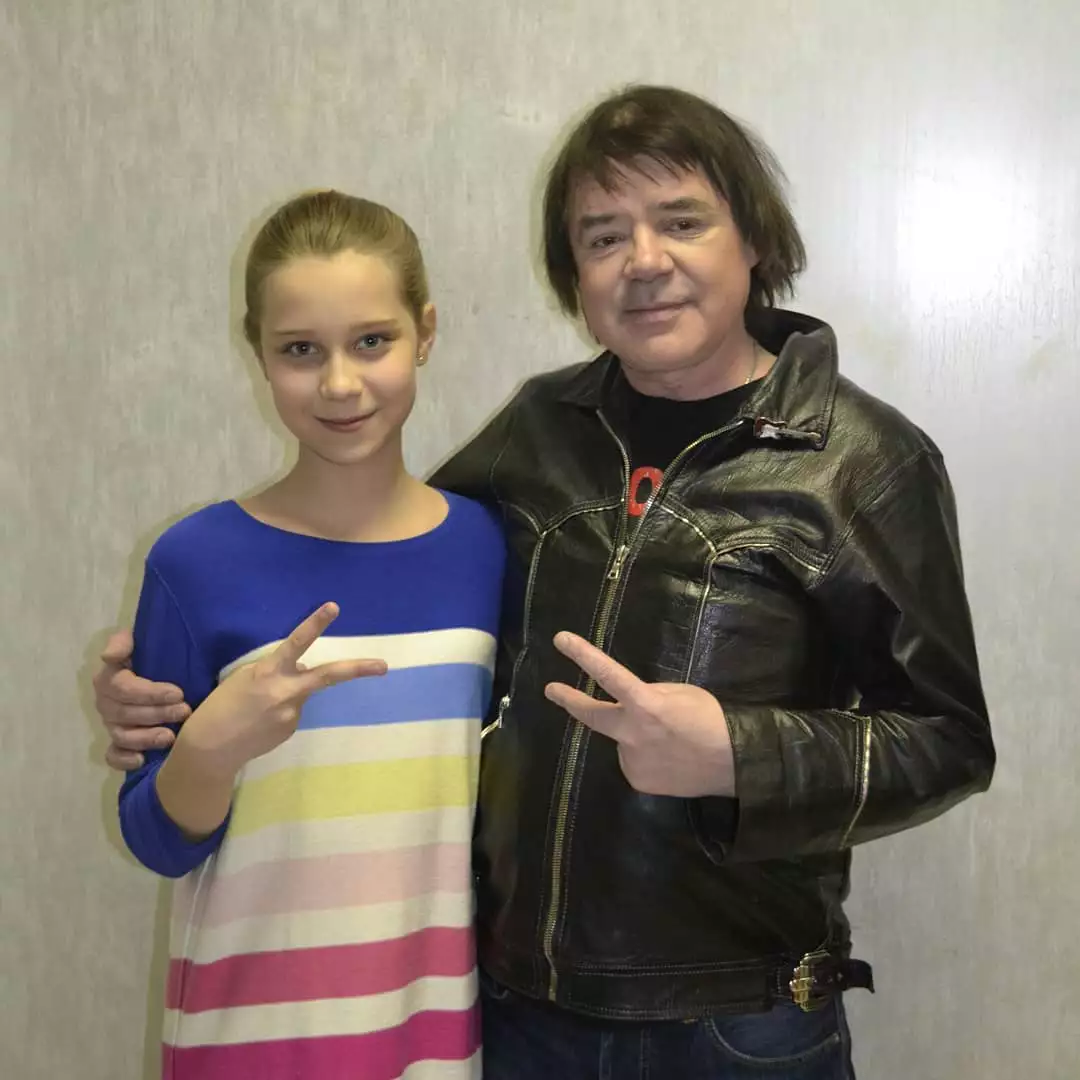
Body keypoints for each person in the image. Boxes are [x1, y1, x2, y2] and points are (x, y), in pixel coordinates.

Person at [94, 86, 995, 1079]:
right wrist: (166, 694)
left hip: (737, 1026)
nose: (643, 261)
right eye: (604, 237)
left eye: (682, 221)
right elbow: (381, 564)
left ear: (752, 238)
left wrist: (743, 753)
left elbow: (949, 743)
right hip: (514, 1019)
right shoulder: (539, 433)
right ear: (576, 275)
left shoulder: (862, 463)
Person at [109, 189, 504, 1078]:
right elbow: (157, 839)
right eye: (300, 350)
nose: (339, 383)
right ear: (258, 351)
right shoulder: (194, 561)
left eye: (372, 341)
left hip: (431, 1042)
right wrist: (209, 748)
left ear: (425, 333)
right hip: (247, 1042)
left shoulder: (485, 548)